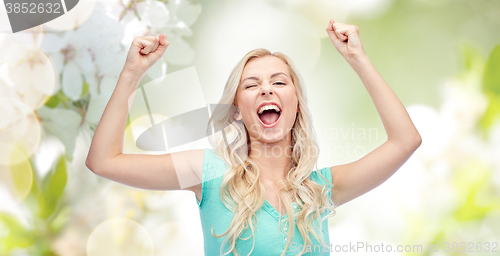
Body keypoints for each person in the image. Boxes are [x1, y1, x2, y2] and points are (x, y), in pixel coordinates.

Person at [86, 19, 422, 256]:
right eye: (251, 85)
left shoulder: (320, 189)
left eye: (278, 82)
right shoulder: (208, 172)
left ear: (296, 106)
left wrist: (357, 59)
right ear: (236, 110)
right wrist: (131, 74)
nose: (265, 89)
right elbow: (103, 160)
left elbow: (405, 141)